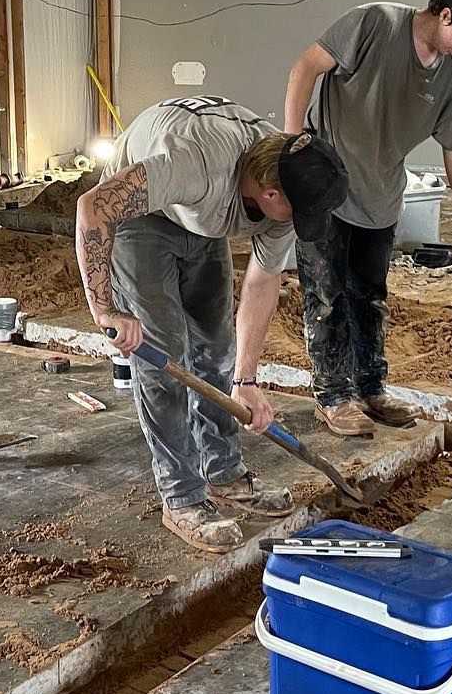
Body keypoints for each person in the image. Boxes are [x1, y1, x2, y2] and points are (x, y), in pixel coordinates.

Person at [75, 96, 349, 554]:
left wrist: (247, 380)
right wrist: (105, 310)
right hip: (143, 216)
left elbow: (261, 286)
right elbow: (93, 207)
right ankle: (181, 496)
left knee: (217, 348)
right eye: (300, 214)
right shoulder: (197, 163)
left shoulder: (283, 187)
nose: (301, 225)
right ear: (271, 195)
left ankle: (223, 472)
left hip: (203, 218)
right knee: (164, 359)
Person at [283, 0, 452, 438]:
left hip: (382, 197)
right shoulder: (374, 24)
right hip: (330, 192)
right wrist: (291, 143)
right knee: (327, 297)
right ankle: (333, 396)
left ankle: (370, 388)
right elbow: (306, 66)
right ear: (446, 16)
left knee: (370, 297)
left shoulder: (450, 76)